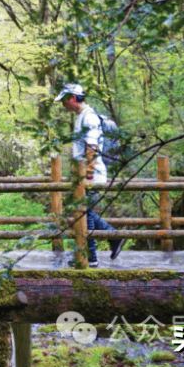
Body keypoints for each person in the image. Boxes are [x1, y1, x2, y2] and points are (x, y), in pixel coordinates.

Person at [56, 83, 126, 267]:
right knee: (85, 214)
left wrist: (88, 173)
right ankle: (109, 241)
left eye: (64, 100)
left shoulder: (89, 117)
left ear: (72, 98)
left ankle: (92, 255)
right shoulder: (81, 116)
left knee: (84, 214)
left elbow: (92, 147)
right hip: (85, 174)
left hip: (91, 174)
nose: (63, 104)